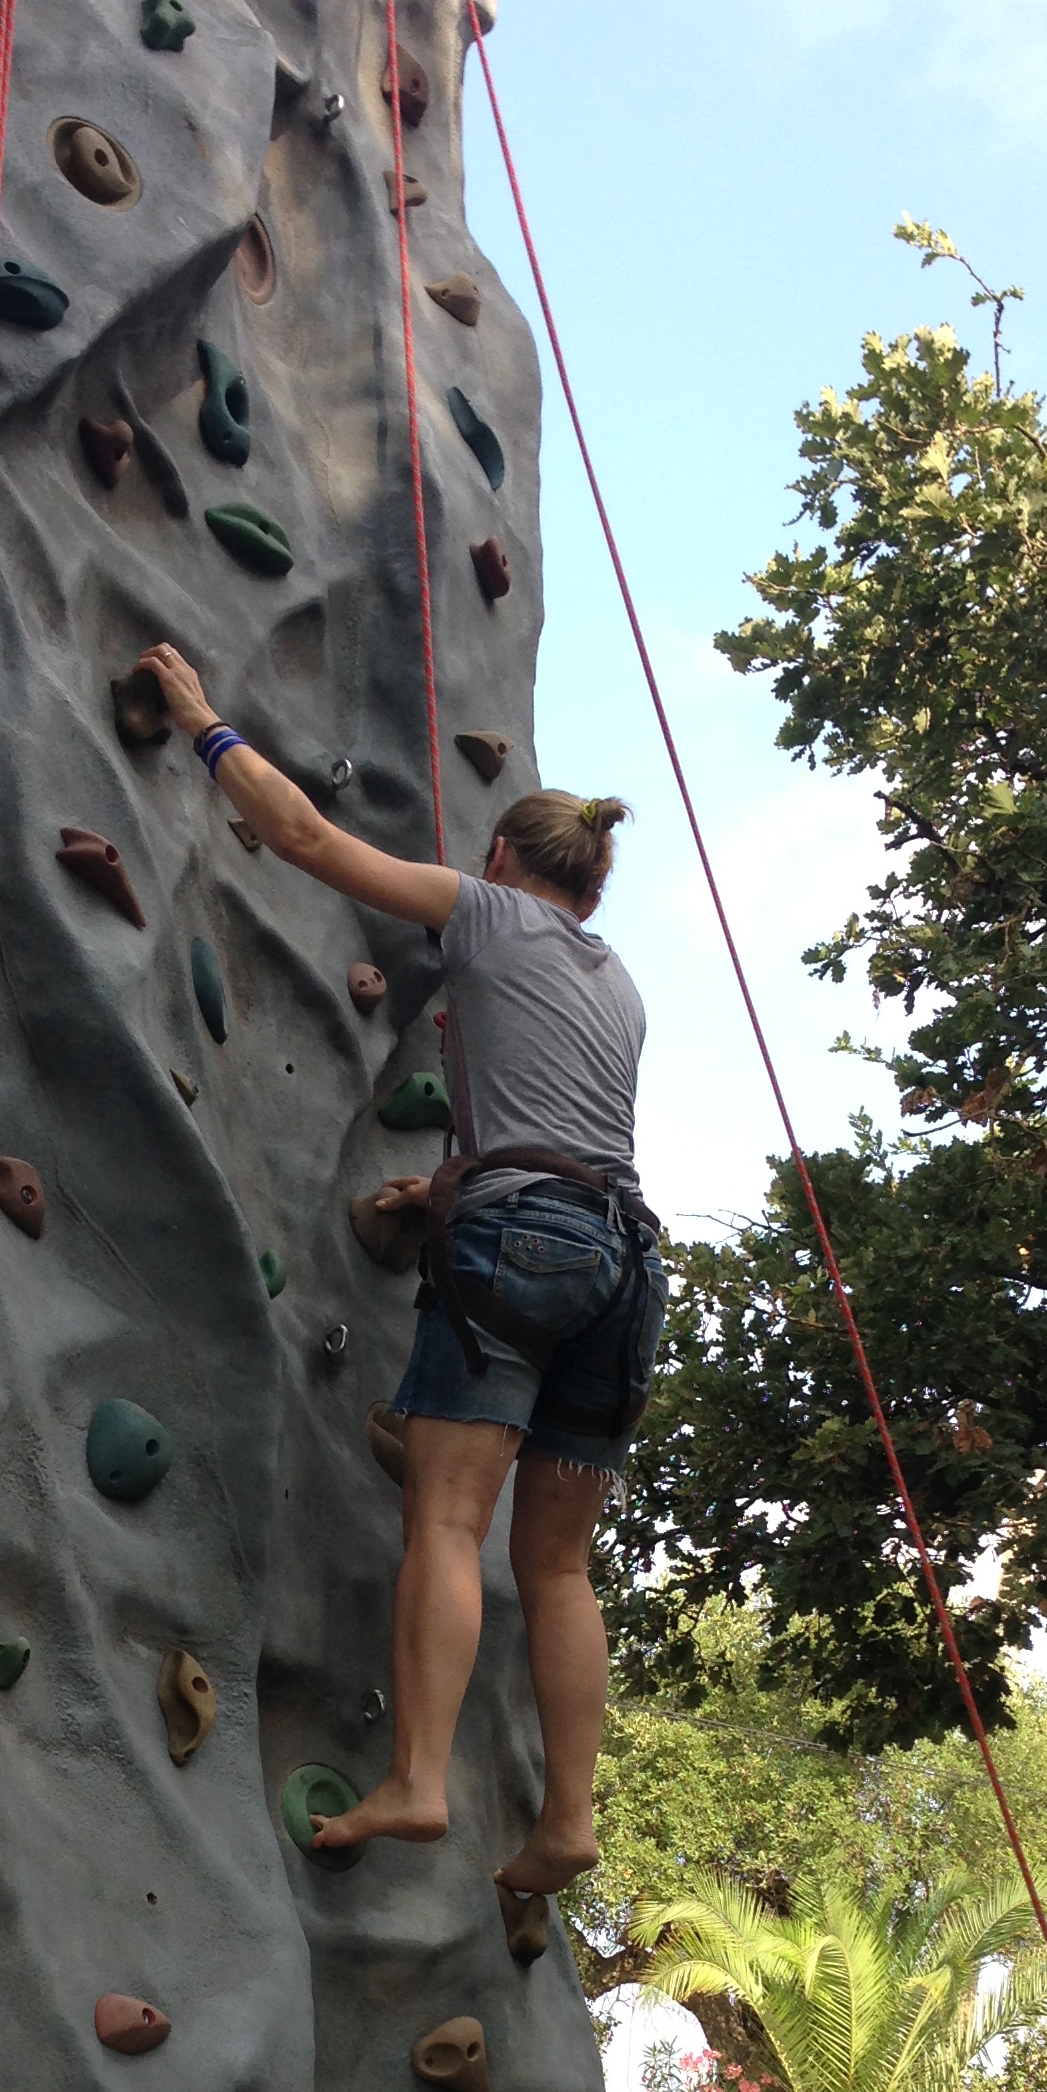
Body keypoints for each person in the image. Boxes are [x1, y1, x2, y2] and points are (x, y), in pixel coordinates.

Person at [132, 640, 663, 1895]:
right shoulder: (623, 985)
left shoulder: (486, 912)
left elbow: (312, 843)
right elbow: (558, 1131)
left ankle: (420, 1781)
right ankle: (569, 1820)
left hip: (520, 1243)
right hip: (627, 1264)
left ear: (502, 863)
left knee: (445, 1517)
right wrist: (444, 1186)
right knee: (560, 1564)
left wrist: (210, 726)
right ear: (590, 892)